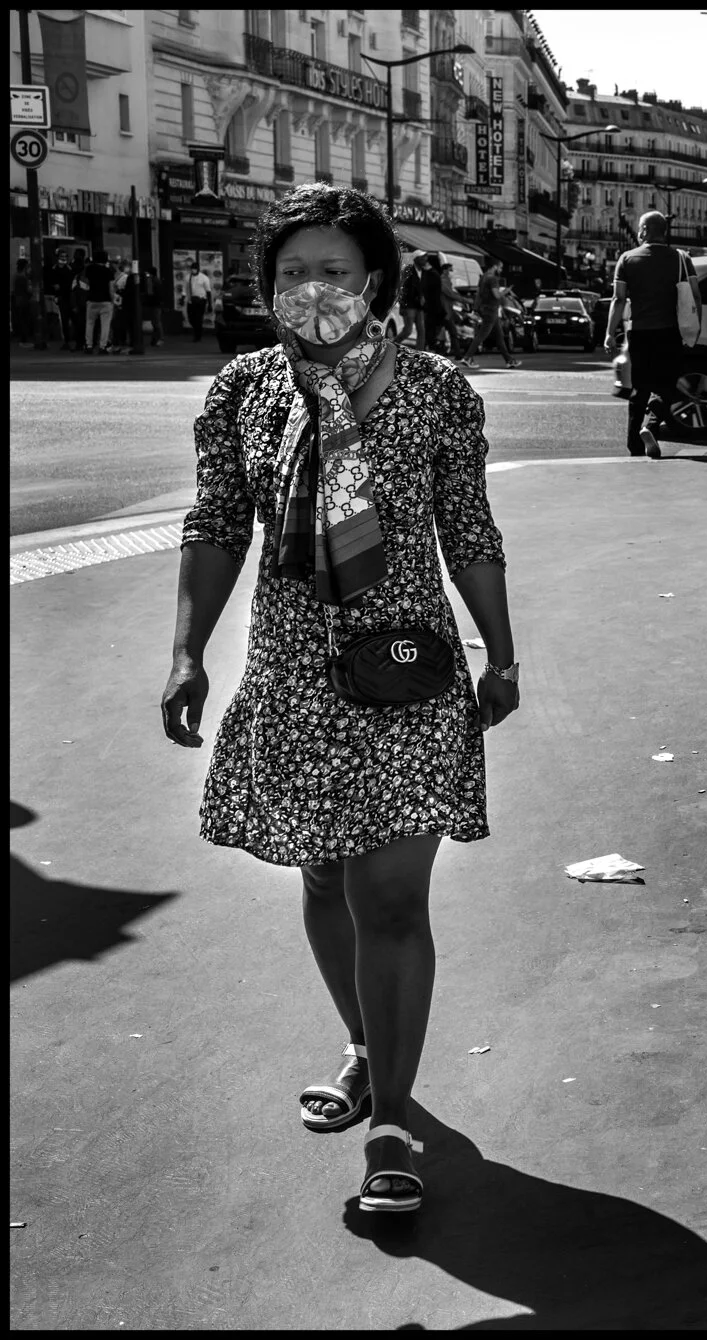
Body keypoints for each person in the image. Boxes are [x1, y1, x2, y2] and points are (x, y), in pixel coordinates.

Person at [159, 182, 518, 1215]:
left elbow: (471, 528)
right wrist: (186, 652)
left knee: (392, 898)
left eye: (330, 271)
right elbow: (218, 521)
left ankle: (395, 1119)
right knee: (323, 881)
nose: (309, 290)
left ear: (375, 282)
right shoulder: (244, 390)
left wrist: (503, 652)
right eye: (289, 274)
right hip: (294, 667)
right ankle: (366, 1041)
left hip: (403, 668)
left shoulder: (437, 388)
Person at [603, 210, 690, 459]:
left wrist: (610, 333)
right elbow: (693, 295)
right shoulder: (680, 258)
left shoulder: (627, 259)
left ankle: (634, 445)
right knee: (666, 385)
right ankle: (650, 425)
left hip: (639, 333)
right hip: (669, 331)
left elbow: (619, 299)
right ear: (664, 231)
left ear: (643, 231)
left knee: (638, 388)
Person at [466, 256, 519, 369]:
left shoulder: (483, 277)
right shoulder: (493, 279)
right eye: (500, 267)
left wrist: (475, 309)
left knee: (499, 337)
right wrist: (506, 291)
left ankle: (509, 360)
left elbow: (479, 294)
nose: (501, 270)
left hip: (486, 309)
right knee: (481, 335)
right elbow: (496, 295)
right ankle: (467, 357)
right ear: (494, 266)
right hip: (491, 310)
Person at [82, 250, 116, 354]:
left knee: (90, 323)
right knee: (105, 324)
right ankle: (103, 346)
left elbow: (85, 284)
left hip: (92, 299)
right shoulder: (108, 271)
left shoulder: (89, 269)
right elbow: (111, 288)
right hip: (105, 300)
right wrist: (112, 300)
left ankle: (88, 345)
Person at [42, 250, 72, 349]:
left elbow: (70, 284)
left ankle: (67, 339)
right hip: (56, 297)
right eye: (61, 256)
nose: (63, 259)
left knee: (65, 319)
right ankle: (63, 339)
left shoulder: (69, 269)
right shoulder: (53, 269)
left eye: (65, 257)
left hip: (66, 297)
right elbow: (49, 280)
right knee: (59, 319)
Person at [397, 257, 427, 354]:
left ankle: (420, 353)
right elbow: (402, 287)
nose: (425, 261)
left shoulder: (423, 272)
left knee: (421, 330)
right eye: (423, 258)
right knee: (408, 330)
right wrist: (402, 305)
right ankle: (391, 345)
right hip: (409, 305)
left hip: (419, 306)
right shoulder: (409, 270)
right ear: (417, 259)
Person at [185, 263, 213, 342]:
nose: (193, 270)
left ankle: (197, 336)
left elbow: (208, 291)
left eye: (195, 268)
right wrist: (182, 298)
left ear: (198, 269)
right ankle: (198, 330)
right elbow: (185, 289)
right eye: (192, 268)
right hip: (191, 301)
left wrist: (210, 304)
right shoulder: (188, 277)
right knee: (191, 318)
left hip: (201, 301)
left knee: (198, 318)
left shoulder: (204, 278)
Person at [140, 263, 164, 348]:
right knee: (155, 322)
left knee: (156, 322)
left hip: (153, 304)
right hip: (156, 304)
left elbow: (150, 293)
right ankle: (156, 339)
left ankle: (159, 339)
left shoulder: (151, 281)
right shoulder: (156, 280)